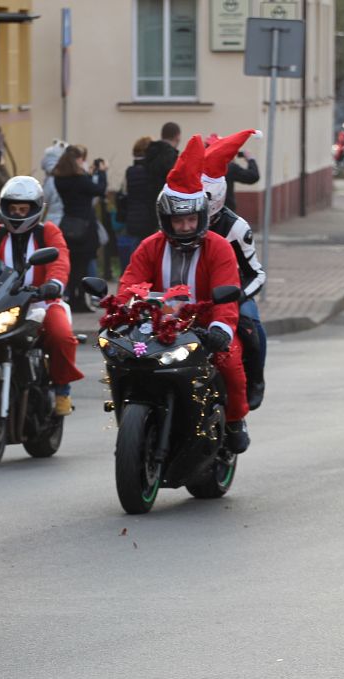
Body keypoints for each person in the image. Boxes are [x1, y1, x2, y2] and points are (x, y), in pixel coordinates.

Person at [119, 135, 250, 453]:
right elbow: (130, 285)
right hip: (155, 328)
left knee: (231, 363)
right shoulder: (150, 246)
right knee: (123, 363)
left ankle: (235, 421)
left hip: (204, 330)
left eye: (192, 219)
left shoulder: (219, 247)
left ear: (202, 216)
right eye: (179, 220)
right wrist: (122, 312)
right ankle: (132, 417)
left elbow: (227, 295)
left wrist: (220, 329)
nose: (186, 226)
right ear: (166, 219)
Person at [0, 176, 84, 415]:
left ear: (35, 209)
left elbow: (60, 260)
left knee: (61, 336)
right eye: (13, 208)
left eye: (23, 209)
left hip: (40, 302)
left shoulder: (48, 232)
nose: (17, 213)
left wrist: (53, 284)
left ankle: (61, 391)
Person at [202, 129, 267, 411]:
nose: (186, 224)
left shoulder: (235, 228)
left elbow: (257, 273)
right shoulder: (175, 223)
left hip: (230, 291)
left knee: (252, 327)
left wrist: (239, 296)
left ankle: (255, 380)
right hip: (188, 294)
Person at [52, 144, 107, 311]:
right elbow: (99, 190)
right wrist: (102, 173)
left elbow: (80, 189)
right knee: (82, 265)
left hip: (68, 224)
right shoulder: (80, 180)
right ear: (77, 160)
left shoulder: (59, 179)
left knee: (72, 264)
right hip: (85, 227)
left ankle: (71, 297)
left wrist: (88, 175)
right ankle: (80, 300)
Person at [143, 122, 181, 223]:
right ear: (178, 136)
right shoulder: (171, 156)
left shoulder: (150, 152)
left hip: (148, 207)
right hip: (166, 207)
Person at [122, 136, 158, 243]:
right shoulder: (151, 171)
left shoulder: (130, 171)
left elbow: (125, 192)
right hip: (148, 218)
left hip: (132, 217)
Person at [39, 139, 68, 225]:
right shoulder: (69, 178)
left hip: (53, 222)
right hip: (69, 221)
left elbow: (43, 202)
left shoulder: (51, 180)